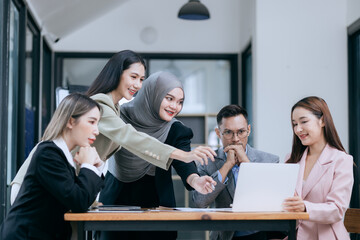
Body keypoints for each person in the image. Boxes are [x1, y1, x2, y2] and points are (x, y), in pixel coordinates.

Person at [10, 50, 216, 202]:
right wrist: (184, 154)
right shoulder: (101, 105)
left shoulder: (115, 109)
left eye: (141, 79)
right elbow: (131, 138)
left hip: (62, 184)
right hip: (38, 182)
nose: (137, 85)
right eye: (133, 77)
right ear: (118, 74)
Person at [98, 71, 216, 240]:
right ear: (152, 93)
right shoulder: (120, 116)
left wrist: (195, 180)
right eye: (169, 98)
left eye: (180, 102)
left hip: (157, 204)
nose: (174, 106)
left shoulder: (176, 129)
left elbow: (184, 163)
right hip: (116, 200)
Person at [0, 93, 104, 240]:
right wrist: (88, 166)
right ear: (70, 122)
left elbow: (83, 200)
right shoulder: (48, 154)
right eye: (92, 122)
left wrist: (95, 167)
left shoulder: (61, 156)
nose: (97, 131)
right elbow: (78, 202)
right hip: (25, 235)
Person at [192, 104, 280, 240]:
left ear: (249, 130)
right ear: (218, 133)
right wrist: (227, 165)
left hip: (261, 234)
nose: (235, 139)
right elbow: (200, 202)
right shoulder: (207, 162)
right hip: (225, 236)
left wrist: (245, 162)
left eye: (241, 132)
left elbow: (272, 201)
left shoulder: (270, 160)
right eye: (228, 132)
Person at [282, 96, 354, 240]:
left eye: (303, 121)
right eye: (294, 124)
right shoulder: (291, 159)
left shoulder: (341, 160)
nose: (298, 129)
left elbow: (337, 209)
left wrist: (304, 207)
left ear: (322, 120)